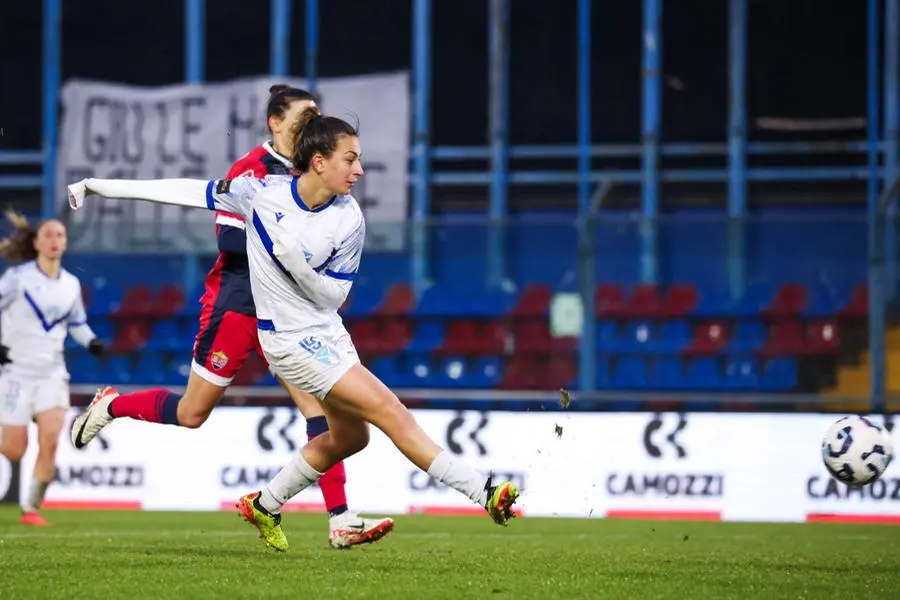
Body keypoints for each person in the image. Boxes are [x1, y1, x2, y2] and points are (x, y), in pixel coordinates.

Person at [66, 107, 520, 552]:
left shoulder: (350, 218)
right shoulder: (261, 192)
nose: (359, 170)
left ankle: (265, 503)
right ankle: (483, 491)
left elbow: (333, 297)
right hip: (287, 341)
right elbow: (186, 191)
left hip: (327, 331)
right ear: (319, 162)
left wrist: (297, 265)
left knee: (351, 437)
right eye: (351, 158)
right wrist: (97, 187)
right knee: (389, 412)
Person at [69, 85, 393, 549]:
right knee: (192, 412)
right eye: (303, 116)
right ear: (275, 123)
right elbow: (228, 243)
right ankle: (111, 405)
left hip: (289, 315)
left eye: (316, 115)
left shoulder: (316, 174)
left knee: (320, 410)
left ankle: (340, 519)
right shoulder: (252, 174)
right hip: (238, 304)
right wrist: (287, 247)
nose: (312, 122)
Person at [0, 211, 105, 525]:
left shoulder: (71, 285)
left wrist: (92, 343)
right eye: (48, 235)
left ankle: (31, 509)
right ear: (35, 242)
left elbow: (78, 324)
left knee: (51, 438)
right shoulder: (16, 279)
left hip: (51, 372)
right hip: (15, 371)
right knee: (15, 449)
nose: (54, 240)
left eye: (59, 235)